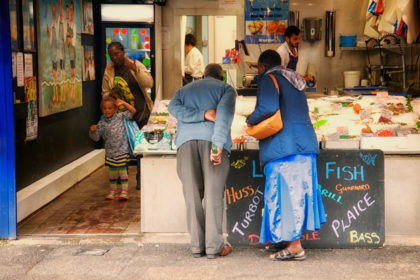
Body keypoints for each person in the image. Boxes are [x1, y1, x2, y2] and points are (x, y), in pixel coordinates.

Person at [246, 50, 326, 261]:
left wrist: (250, 119)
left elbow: (267, 107)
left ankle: (294, 247)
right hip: (304, 145)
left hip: (285, 147)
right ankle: (285, 239)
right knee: (297, 195)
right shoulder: (294, 80)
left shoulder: (268, 78)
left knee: (285, 195)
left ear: (262, 67)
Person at [168, 64, 236, 259]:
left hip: (185, 144)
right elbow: (223, 117)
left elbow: (173, 108)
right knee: (214, 195)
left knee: (192, 195)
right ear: (221, 77)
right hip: (211, 143)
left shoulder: (183, 90)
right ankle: (214, 247)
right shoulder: (225, 89)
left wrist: (198, 114)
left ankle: (197, 246)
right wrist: (217, 145)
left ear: (203, 76)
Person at [89, 94, 136, 200]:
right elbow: (96, 138)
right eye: (105, 108)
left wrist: (123, 103)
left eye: (110, 108)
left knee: (123, 171)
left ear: (115, 109)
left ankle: (124, 192)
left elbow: (133, 111)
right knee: (112, 173)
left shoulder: (121, 116)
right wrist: (92, 131)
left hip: (122, 150)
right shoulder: (101, 124)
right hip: (110, 153)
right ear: (102, 110)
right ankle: (113, 191)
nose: (107, 110)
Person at [103, 41, 154, 129]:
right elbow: (105, 95)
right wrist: (110, 94)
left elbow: (149, 84)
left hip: (143, 115)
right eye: (111, 56)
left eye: (117, 54)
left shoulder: (136, 64)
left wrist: (136, 70)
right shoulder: (109, 72)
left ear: (123, 52)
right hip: (122, 120)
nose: (114, 58)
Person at [46, 1, 59, 105]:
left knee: (58, 76)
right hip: (54, 55)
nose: (53, 12)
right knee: (55, 75)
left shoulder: (58, 24)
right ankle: (55, 95)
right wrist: (48, 34)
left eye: (55, 10)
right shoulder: (52, 25)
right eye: (52, 10)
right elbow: (52, 41)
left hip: (58, 55)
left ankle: (57, 95)